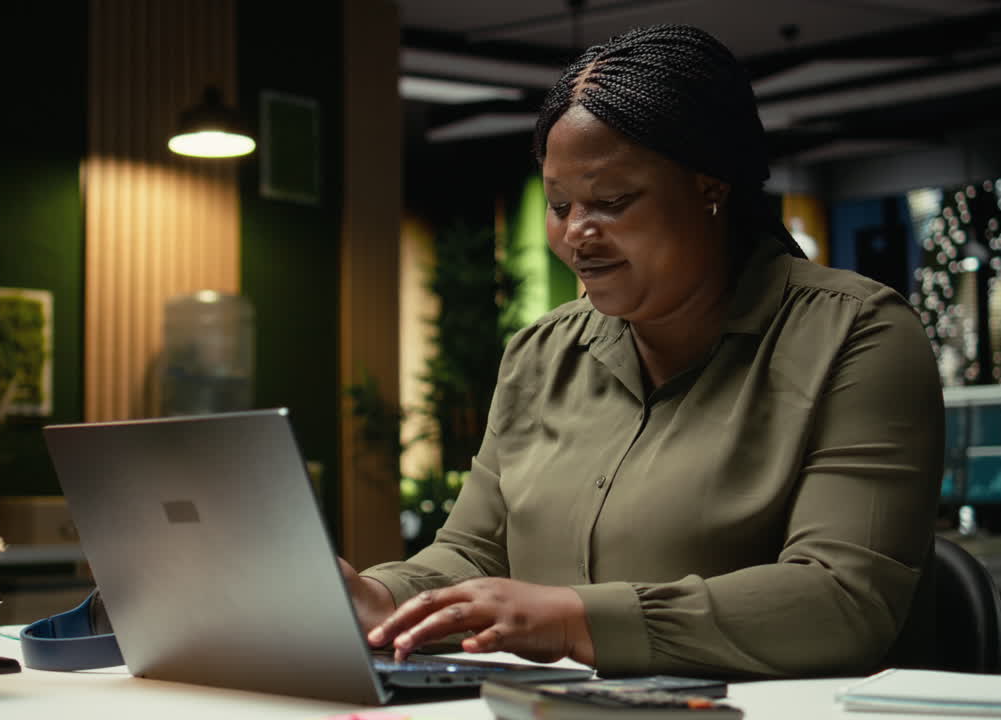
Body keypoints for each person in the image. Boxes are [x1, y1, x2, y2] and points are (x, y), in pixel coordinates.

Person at [339, 23, 943, 679]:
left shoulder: (858, 335)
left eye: (612, 201)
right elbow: (475, 552)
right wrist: (379, 598)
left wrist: (574, 618)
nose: (576, 235)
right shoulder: (542, 354)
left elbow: (842, 602)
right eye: (559, 204)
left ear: (710, 188)